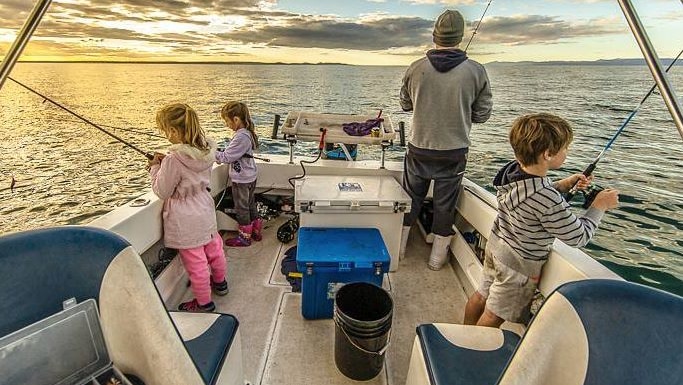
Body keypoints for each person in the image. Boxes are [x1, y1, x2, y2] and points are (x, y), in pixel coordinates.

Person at [463, 113, 620, 327]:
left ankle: (464, 331)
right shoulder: (546, 198)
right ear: (547, 154)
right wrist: (599, 206)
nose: (567, 152)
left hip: (497, 250)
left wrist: (563, 184)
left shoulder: (510, 174)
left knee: (480, 296)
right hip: (517, 267)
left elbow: (532, 196)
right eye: (565, 148)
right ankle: (472, 350)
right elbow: (578, 236)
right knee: (493, 314)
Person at [399, 9, 493, 270]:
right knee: (445, 205)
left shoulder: (415, 68)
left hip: (419, 148)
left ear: (434, 36)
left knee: (410, 198)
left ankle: (399, 251)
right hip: (454, 152)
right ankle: (436, 259)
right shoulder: (476, 71)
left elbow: (405, 104)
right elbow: (483, 115)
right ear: (460, 38)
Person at [149, 103, 229, 312]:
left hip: (185, 218)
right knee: (215, 249)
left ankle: (204, 303)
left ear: (174, 131)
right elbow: (190, 172)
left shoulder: (174, 160)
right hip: (205, 208)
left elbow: (162, 191)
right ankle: (220, 283)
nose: (166, 135)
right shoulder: (204, 152)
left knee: (196, 263)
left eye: (165, 130)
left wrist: (155, 167)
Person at [215, 101, 261, 247]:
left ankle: (245, 237)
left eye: (227, 121)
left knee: (242, 208)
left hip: (242, 179)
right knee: (250, 204)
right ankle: (256, 231)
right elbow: (234, 153)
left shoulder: (240, 136)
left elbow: (226, 157)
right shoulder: (247, 134)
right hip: (250, 176)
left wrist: (211, 153)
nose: (227, 125)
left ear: (236, 119)